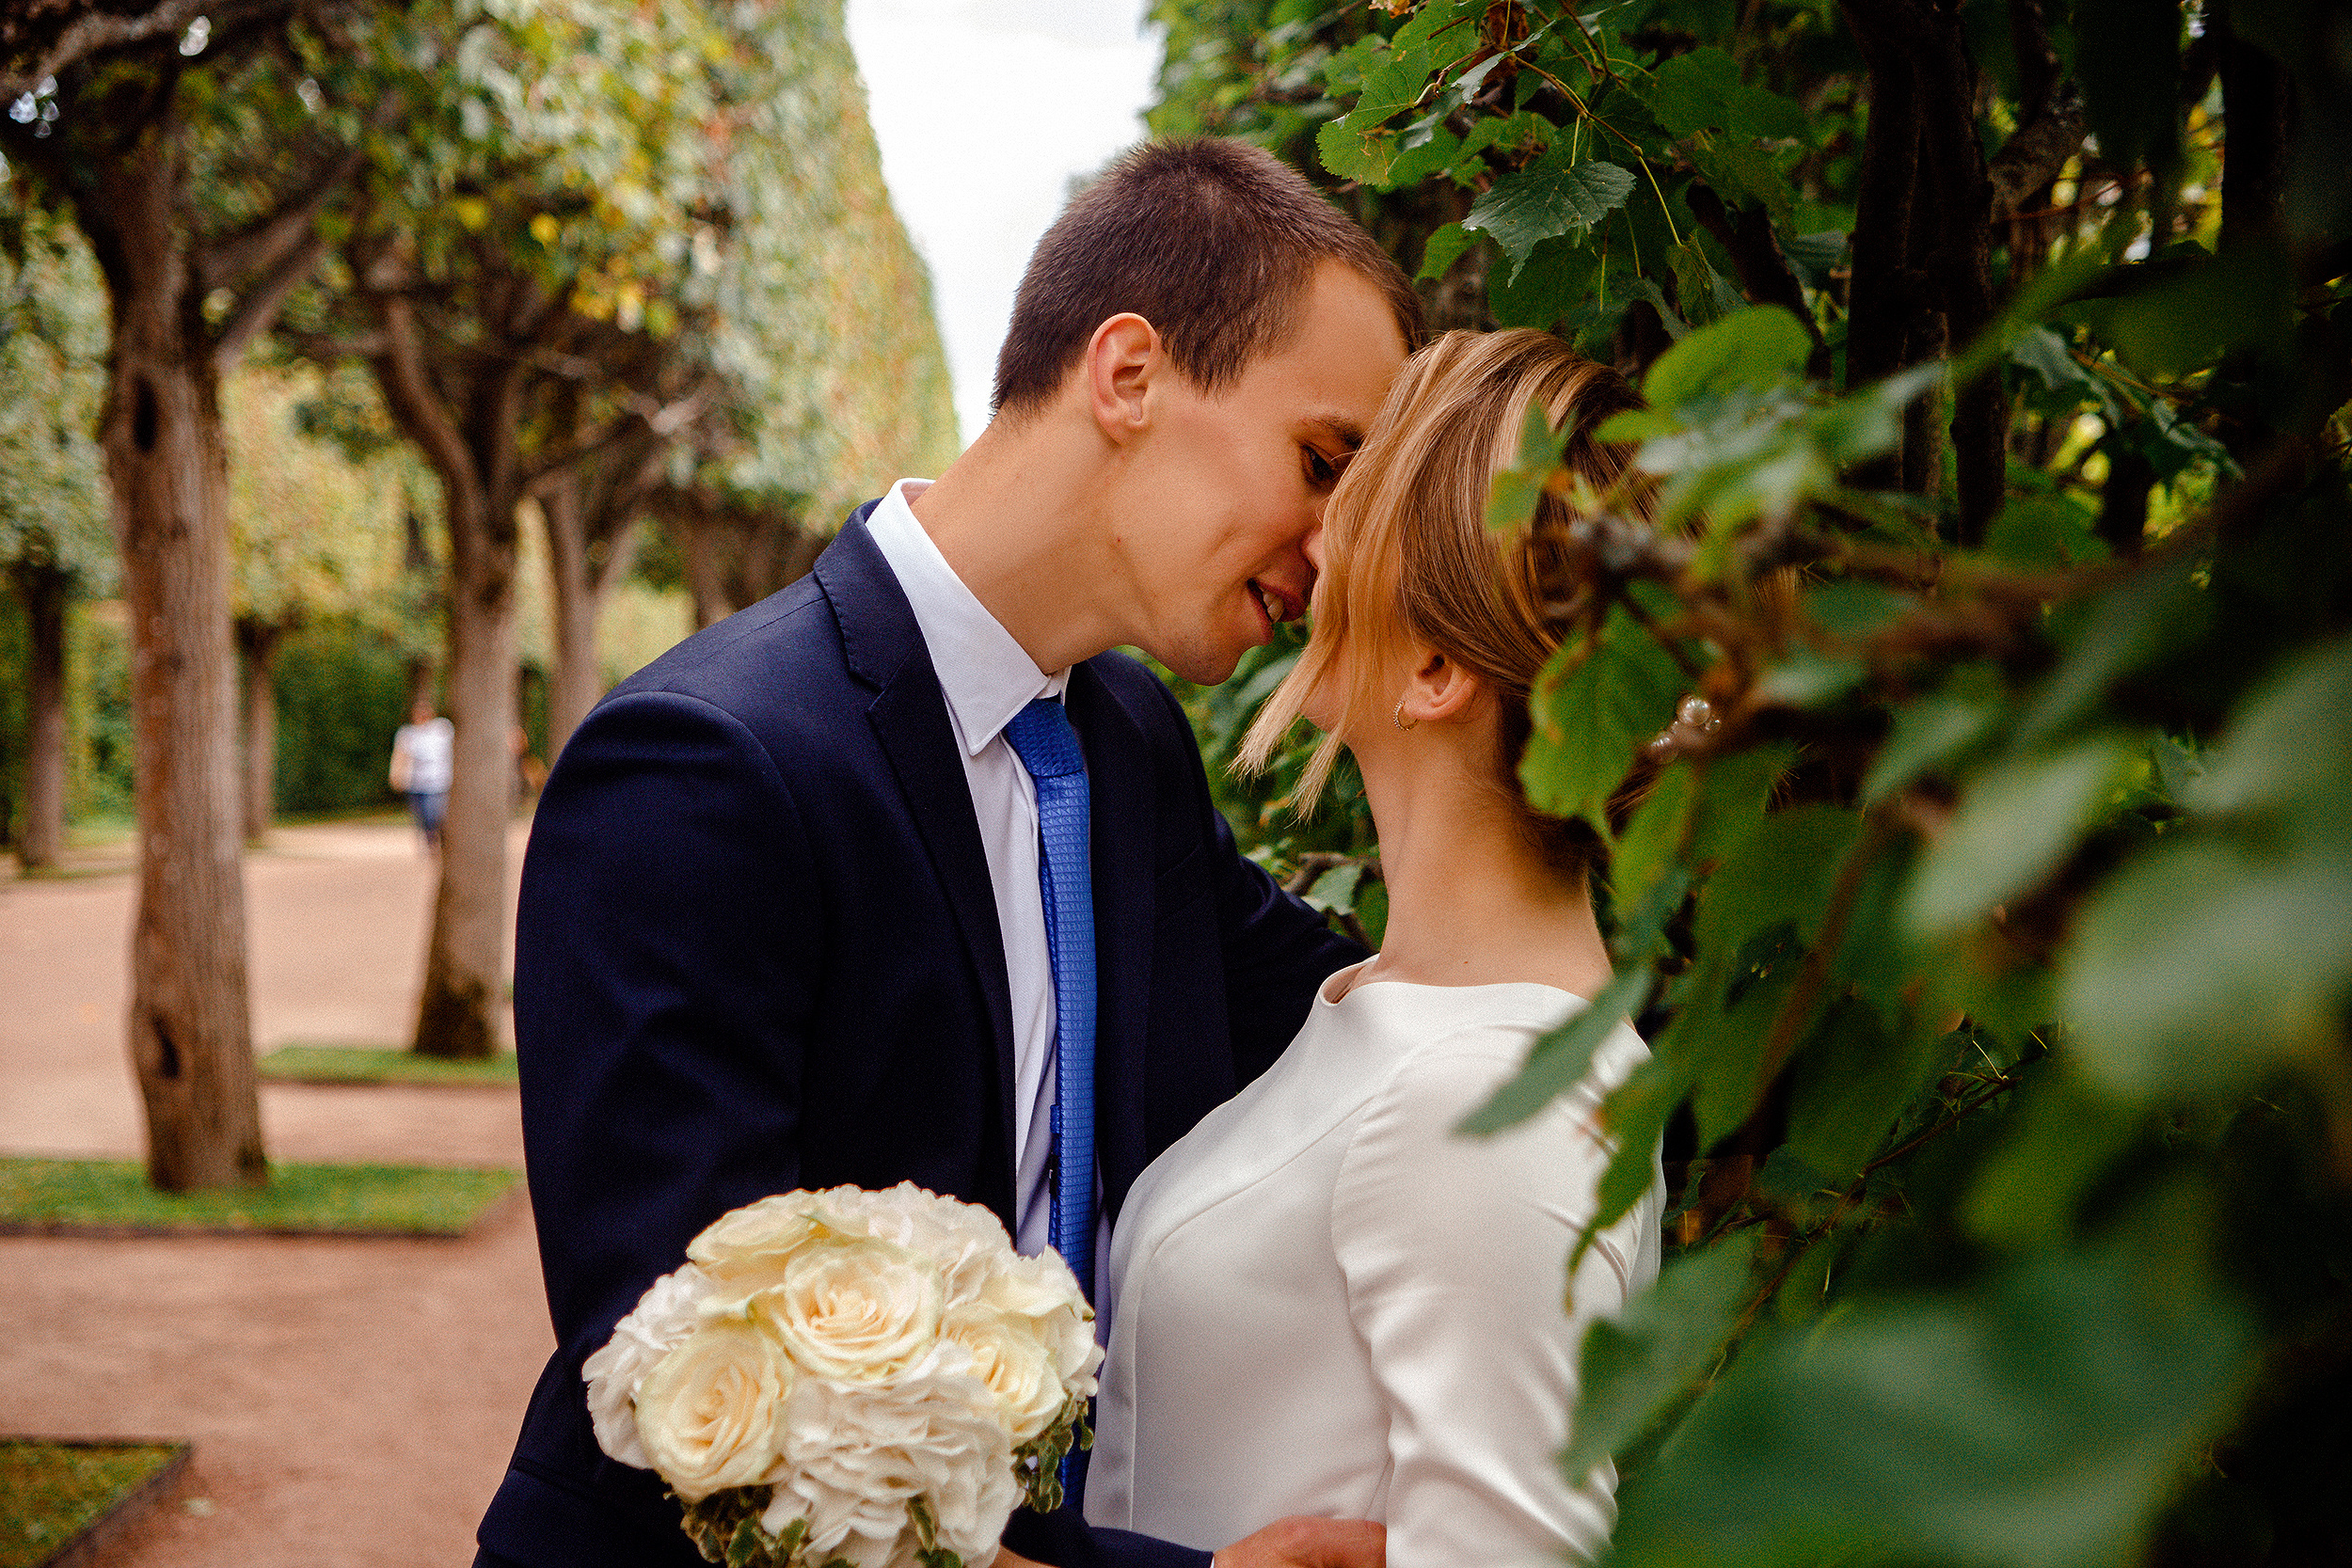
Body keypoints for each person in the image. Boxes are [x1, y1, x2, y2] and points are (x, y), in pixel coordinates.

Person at [474, 138, 1420, 1568]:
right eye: (1325, 462)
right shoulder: (702, 764)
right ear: (1128, 374)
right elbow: (683, 1380)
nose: (1339, 545)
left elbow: (1369, 1011)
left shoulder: (1129, 743)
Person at [1078, 329, 1669, 1568]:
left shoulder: (1488, 1099)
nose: (1313, 531)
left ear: (1441, 666)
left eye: (1361, 485)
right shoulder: (1406, 1010)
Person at [389, 697, 453, 855]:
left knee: (434, 814)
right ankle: (431, 843)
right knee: (422, 817)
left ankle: (440, 841)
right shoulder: (407, 733)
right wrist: (396, 774)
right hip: (415, 782)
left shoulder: (442, 729)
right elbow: (400, 755)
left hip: (438, 781)